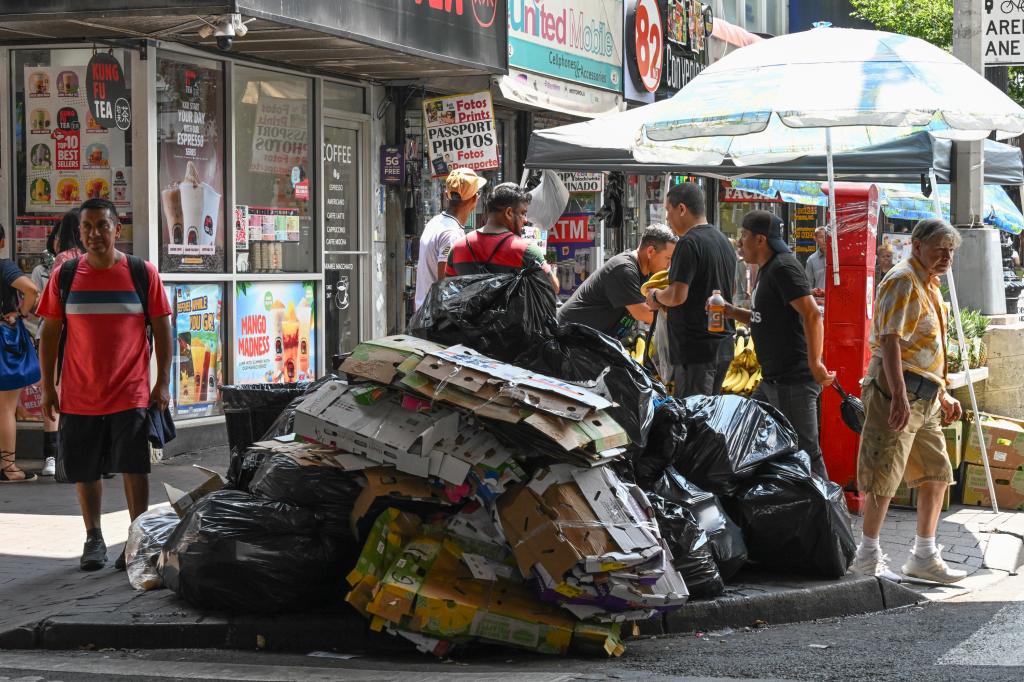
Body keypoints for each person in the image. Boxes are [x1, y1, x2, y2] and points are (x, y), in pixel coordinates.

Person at [37, 198, 173, 571]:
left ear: (117, 229)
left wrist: (161, 384)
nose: (95, 234)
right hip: (79, 394)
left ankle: (137, 537)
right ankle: (93, 537)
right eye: (87, 228)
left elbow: (162, 328)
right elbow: (50, 334)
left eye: (102, 226)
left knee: (134, 466)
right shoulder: (65, 276)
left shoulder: (140, 272)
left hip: (130, 391)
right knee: (85, 468)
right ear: (79, 232)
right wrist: (49, 386)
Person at [851, 218, 965, 584]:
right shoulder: (902, 280)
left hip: (926, 396)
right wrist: (899, 395)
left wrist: (944, 393)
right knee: (884, 476)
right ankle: (866, 557)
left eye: (951, 251)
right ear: (917, 246)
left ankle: (923, 555)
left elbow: (925, 347)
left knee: (937, 475)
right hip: (896, 391)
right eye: (939, 249)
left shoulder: (929, 282)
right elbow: (890, 343)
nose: (946, 257)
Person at [721, 211, 835, 479]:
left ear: (760, 239)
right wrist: (732, 312)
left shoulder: (784, 267)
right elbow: (767, 319)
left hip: (793, 379)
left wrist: (815, 362)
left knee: (806, 451)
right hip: (772, 379)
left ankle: (829, 516)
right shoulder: (767, 269)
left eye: (744, 236)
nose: (740, 242)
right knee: (751, 435)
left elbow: (812, 314)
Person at [645, 183, 736, 398]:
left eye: (669, 210)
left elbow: (677, 295)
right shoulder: (723, 241)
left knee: (693, 419)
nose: (667, 218)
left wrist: (656, 295)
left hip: (696, 351)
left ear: (682, 209)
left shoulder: (688, 243)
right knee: (709, 416)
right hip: (722, 347)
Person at [27, 209, 84, 477]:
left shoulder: (62, 259)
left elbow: (48, 307)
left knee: (53, 392)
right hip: (83, 336)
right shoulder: (94, 258)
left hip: (57, 334)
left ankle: (51, 455)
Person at [557, 224, 676, 339]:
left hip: (590, 343)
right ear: (650, 252)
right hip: (568, 339)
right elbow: (642, 313)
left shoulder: (649, 273)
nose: (669, 265)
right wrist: (681, 322)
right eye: (668, 258)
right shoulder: (623, 269)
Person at [445, 182, 559, 293]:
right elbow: (554, 287)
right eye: (523, 213)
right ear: (509, 213)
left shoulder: (457, 248)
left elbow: (448, 291)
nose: (525, 220)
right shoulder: (526, 250)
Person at [0, 223, 40, 483]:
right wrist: (21, 312)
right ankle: (8, 467)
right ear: (2, 241)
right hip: (4, 340)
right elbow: (32, 290)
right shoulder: (4, 267)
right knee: (5, 407)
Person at [414, 168, 487, 310]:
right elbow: (445, 282)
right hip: (435, 317)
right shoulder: (451, 233)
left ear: (447, 195)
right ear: (474, 199)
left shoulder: (436, 222)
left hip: (425, 311)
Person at [804, 226, 828, 292]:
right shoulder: (812, 260)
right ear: (815, 239)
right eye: (821, 237)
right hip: (820, 300)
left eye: (826, 237)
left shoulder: (837, 258)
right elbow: (808, 285)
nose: (824, 240)